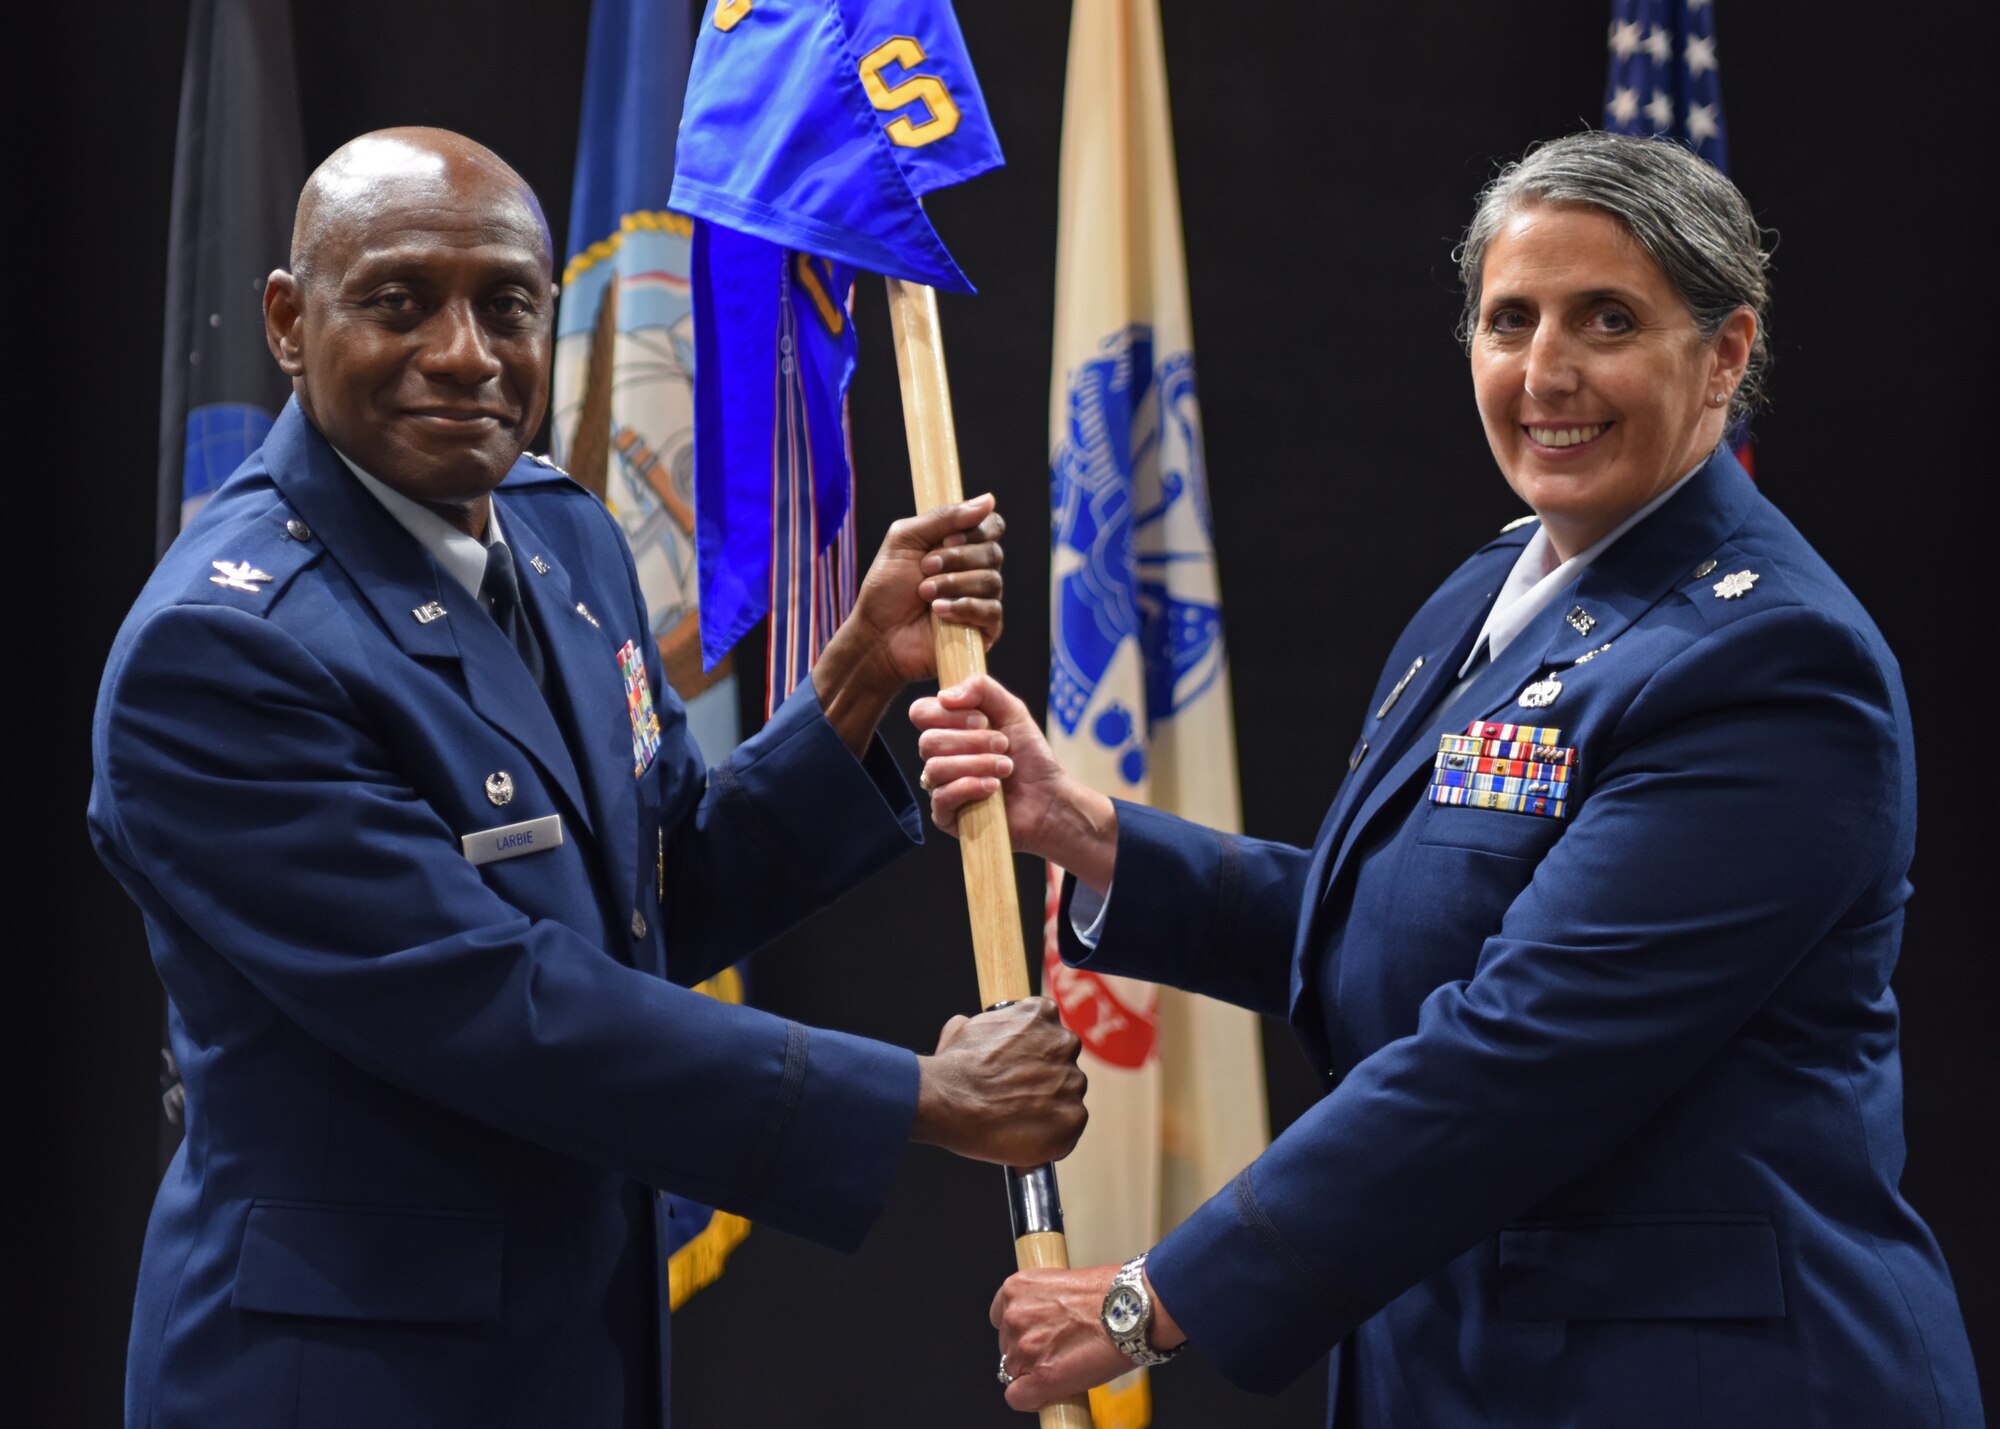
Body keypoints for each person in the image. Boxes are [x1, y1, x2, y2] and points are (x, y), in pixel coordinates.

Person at [914, 131, 1982, 1427]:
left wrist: (1150, 1295)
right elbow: (1401, 930)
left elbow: (1517, 1050)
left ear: (1725, 355)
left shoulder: (1770, 665)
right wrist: (1087, 833)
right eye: (1509, 319)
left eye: (1607, 319)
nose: (1547, 372)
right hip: (1475, 1366)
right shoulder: (1490, 593)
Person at [90, 128, 1086, 1429]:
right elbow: (509, 1002)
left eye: (507, 305)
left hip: (570, 1344)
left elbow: (645, 897)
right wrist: (919, 1094)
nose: (465, 353)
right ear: (287, 320)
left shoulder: (560, 533)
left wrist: (855, 673)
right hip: (336, 1377)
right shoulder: (220, 651)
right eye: (400, 302)